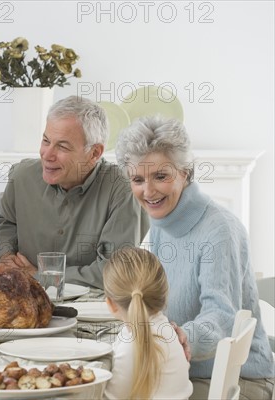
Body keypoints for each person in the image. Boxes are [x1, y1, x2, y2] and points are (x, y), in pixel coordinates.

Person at [115, 115, 274, 399]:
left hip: (237, 378)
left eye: (160, 176)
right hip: (182, 367)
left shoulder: (218, 230)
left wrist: (186, 337)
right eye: (137, 179)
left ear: (185, 173)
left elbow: (222, 316)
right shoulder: (164, 221)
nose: (148, 191)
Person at [0, 95, 149, 289]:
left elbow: (116, 271)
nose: (47, 155)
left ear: (94, 153)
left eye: (62, 146)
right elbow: (7, 221)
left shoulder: (123, 190)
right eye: (45, 141)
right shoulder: (21, 176)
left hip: (94, 307)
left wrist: (41, 277)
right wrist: (7, 256)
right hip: (25, 297)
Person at [102, 247, 193, 399]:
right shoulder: (166, 329)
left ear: (111, 304)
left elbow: (108, 397)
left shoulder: (131, 347)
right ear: (164, 294)